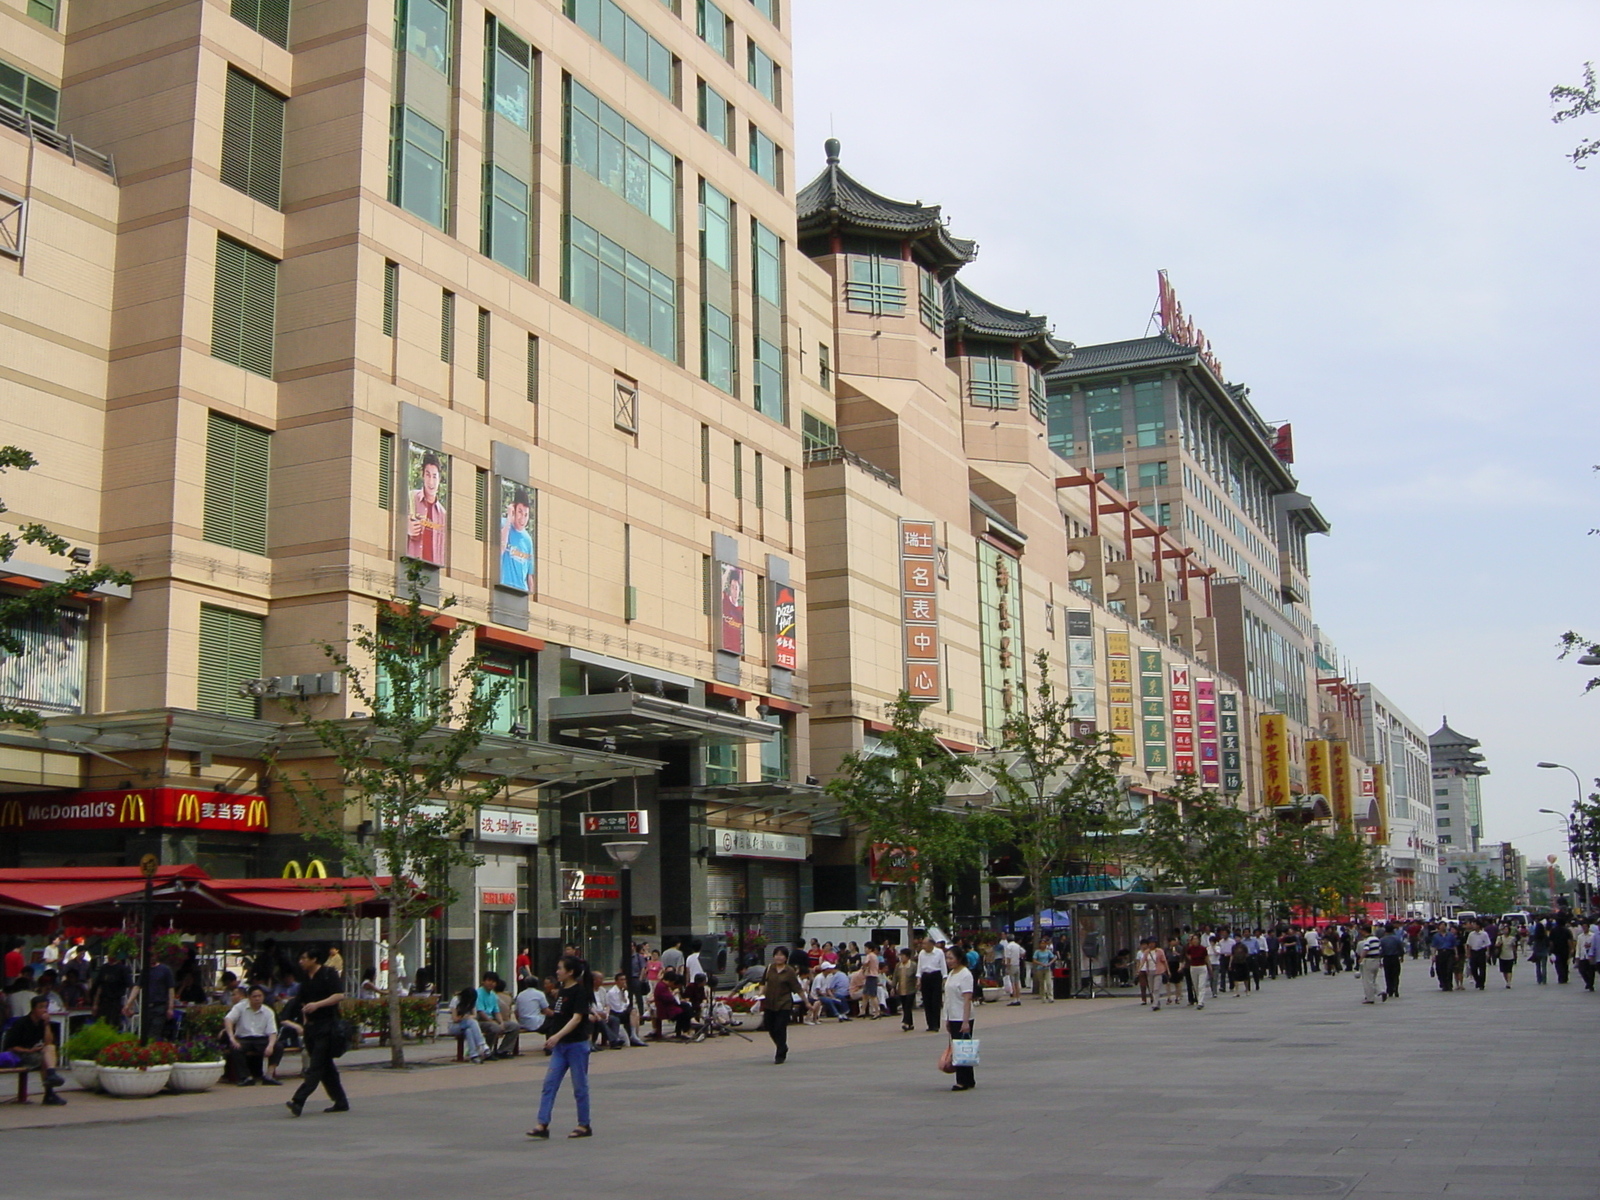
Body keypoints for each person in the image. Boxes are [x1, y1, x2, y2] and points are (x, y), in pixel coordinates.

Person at [527, 955, 594, 1140]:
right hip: (561, 1047)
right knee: (549, 1084)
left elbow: (577, 1018)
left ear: (570, 972)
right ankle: (542, 1123)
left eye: (560, 968)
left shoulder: (579, 991)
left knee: (580, 1086)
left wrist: (556, 1036)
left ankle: (584, 1124)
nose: (557, 972)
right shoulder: (562, 991)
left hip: (576, 1045)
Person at [286, 945, 349, 1117]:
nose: (301, 962)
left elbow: (339, 995)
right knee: (326, 1068)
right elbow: (301, 1001)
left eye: (304, 958)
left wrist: (317, 1005)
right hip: (311, 1028)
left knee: (316, 1066)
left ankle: (299, 1100)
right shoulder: (305, 979)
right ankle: (341, 1101)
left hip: (327, 1025)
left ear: (314, 959)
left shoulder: (329, 973)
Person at [2, 995, 66, 1105]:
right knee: (44, 1060)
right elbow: (10, 1046)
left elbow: (48, 1042)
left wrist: (46, 1025)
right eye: (41, 1007)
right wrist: (29, 1051)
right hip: (18, 1055)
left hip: (34, 1053)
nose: (44, 1010)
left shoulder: (42, 1023)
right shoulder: (21, 1023)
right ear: (33, 1009)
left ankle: (51, 1075)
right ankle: (49, 1093)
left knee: (50, 1048)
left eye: (46, 1007)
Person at [226, 985, 282, 1085]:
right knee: (235, 1048)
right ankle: (246, 1077)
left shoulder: (268, 1011)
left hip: (261, 1039)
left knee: (278, 1046)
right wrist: (232, 1037)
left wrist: (270, 1045)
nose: (257, 999)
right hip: (244, 1038)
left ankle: (269, 1076)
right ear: (249, 997)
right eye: (254, 996)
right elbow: (228, 1019)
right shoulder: (240, 1007)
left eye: (259, 996)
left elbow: (272, 1031)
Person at [943, 946, 975, 1092]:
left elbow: (967, 999)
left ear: (959, 958)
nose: (949, 961)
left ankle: (962, 1080)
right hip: (952, 1015)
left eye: (951, 958)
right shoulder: (951, 974)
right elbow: (948, 998)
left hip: (962, 1016)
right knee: (961, 1048)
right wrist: (946, 1018)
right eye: (947, 958)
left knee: (960, 1049)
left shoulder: (965, 975)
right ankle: (969, 1079)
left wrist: (965, 1021)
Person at [405, 450, 447, 562]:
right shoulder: (410, 498)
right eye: (428, 475)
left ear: (439, 479)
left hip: (432, 573)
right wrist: (405, 527)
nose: (431, 482)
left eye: (434, 476)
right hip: (410, 568)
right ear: (422, 475)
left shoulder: (443, 515)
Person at [761, 946, 801, 1064]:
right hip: (769, 1002)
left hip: (784, 1003)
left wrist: (807, 1002)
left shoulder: (789, 971)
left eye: (781, 955)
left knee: (780, 1027)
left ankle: (780, 1053)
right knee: (770, 1027)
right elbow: (763, 983)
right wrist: (760, 993)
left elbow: (797, 988)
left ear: (786, 958)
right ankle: (782, 1045)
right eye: (776, 954)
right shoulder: (769, 968)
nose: (778, 957)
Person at [499, 485, 534, 590]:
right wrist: (509, 518)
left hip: (521, 590)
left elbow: (530, 575)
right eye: (519, 512)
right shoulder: (503, 524)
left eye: (526, 514)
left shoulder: (528, 540)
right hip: (504, 586)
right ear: (513, 509)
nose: (522, 518)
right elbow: (500, 549)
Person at [916, 936, 945, 1031]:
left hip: (936, 976)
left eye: (925, 943)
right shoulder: (921, 953)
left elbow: (943, 966)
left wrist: (944, 978)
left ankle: (936, 1024)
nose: (923, 946)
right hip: (925, 976)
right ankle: (930, 1024)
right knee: (927, 1001)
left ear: (931, 944)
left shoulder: (939, 952)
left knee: (936, 1001)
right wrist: (918, 979)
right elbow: (919, 967)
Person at [1135, 938, 1167, 1010]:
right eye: (1150, 943)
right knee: (1152, 988)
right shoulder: (1146, 952)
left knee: (1156, 988)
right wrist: (1139, 970)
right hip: (1149, 971)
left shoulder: (1159, 951)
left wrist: (1167, 970)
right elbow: (1142, 961)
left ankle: (1155, 1004)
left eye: (1153, 943)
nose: (1151, 944)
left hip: (1158, 971)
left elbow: (1164, 961)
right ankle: (1156, 1001)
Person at [1356, 926, 1384, 1004]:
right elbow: (1380, 950)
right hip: (1376, 960)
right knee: (1373, 979)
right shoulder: (1376, 939)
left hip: (1369, 960)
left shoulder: (1367, 940)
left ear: (1364, 931)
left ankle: (1370, 998)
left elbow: (1366, 949)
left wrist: (1361, 958)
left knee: (1368, 980)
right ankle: (1380, 991)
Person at [1378, 923, 1407, 999]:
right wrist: (1402, 956)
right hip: (1395, 958)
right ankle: (1396, 989)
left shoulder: (1382, 940)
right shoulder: (1397, 939)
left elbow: (1380, 951)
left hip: (1386, 958)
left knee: (1388, 975)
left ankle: (1389, 989)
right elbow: (1401, 948)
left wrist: (1379, 960)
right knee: (1396, 975)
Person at [894, 947, 917, 1030]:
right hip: (901, 990)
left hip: (911, 990)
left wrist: (918, 984)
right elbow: (895, 977)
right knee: (905, 1007)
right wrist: (893, 987)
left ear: (907, 956)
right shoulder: (898, 965)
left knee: (908, 1006)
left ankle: (905, 1022)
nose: (901, 957)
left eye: (903, 956)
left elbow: (916, 976)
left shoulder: (913, 965)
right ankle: (910, 1024)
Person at [1464, 921, 1491, 991]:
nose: (1473, 926)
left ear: (1479, 926)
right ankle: (1477, 980)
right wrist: (1468, 953)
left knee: (1482, 968)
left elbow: (1487, 944)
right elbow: (1468, 944)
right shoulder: (1471, 934)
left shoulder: (1484, 934)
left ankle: (1482, 983)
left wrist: (1488, 953)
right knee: (1473, 968)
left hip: (1481, 951)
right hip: (1473, 952)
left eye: (1474, 924)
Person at [1430, 924, 1458, 991]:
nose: (1443, 927)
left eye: (1444, 926)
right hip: (1440, 953)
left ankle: (1449, 984)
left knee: (1449, 969)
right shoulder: (1436, 936)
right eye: (1441, 926)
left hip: (1449, 953)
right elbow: (1434, 946)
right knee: (1441, 969)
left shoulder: (1450, 935)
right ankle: (1443, 983)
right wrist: (1433, 955)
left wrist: (1456, 954)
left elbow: (1454, 945)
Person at [1032, 936, 1057, 1003]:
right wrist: (1041, 964)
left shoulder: (1048, 951)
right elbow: (1034, 960)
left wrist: (1049, 963)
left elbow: (1054, 957)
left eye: (1044, 943)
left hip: (1047, 968)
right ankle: (1043, 997)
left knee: (1049, 983)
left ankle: (1050, 997)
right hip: (1040, 969)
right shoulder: (1037, 952)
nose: (1043, 945)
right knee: (1042, 984)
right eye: (1041, 943)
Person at [860, 942, 882, 1018]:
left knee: (873, 995)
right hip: (873, 976)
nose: (865, 950)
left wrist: (863, 967)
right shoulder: (875, 956)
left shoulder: (869, 955)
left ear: (870, 949)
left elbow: (865, 963)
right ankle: (862, 1011)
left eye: (866, 948)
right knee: (865, 994)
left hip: (871, 976)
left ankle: (877, 1012)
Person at [1495, 924, 1519, 989]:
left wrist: (1515, 955)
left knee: (1509, 970)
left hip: (1510, 955)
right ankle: (1506, 981)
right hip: (1502, 955)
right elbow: (1496, 945)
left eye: (1507, 929)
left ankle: (1509, 982)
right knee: (1504, 971)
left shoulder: (1512, 938)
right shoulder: (1500, 938)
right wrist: (1499, 944)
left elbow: (1514, 947)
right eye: (1504, 929)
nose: (1505, 931)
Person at [1529, 921, 1550, 985]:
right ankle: (1544, 980)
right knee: (1544, 966)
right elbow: (1548, 944)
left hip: (1537, 952)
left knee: (1537, 966)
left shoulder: (1535, 936)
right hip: (1544, 952)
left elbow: (1530, 942)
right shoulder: (1545, 936)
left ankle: (1539, 979)